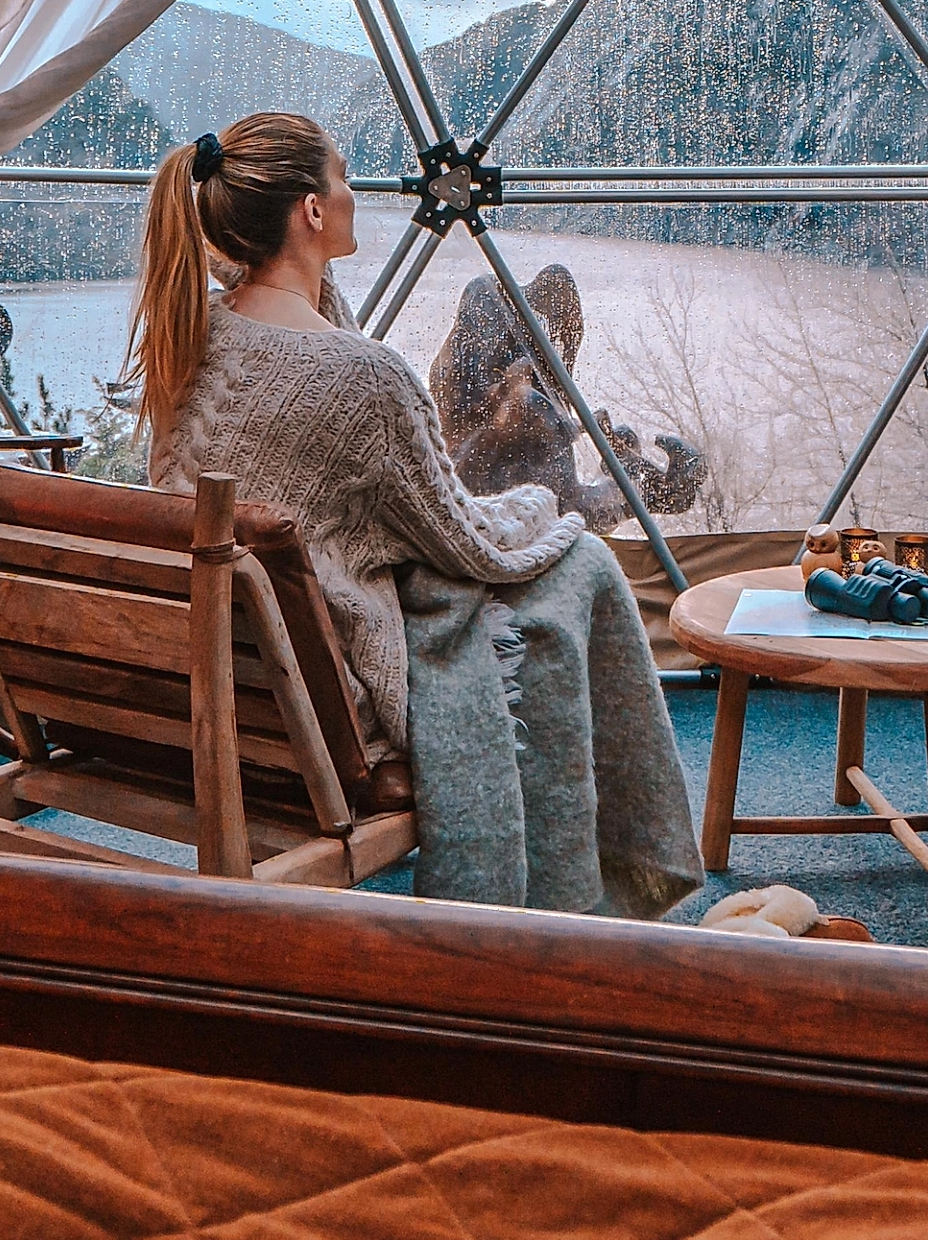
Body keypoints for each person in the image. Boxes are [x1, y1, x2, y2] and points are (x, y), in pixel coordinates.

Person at [129, 111, 701, 919]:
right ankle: (600, 886)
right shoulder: (364, 377)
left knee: (561, 572)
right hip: (314, 703)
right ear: (312, 212)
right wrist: (545, 503)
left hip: (209, 667)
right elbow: (467, 544)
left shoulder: (191, 331)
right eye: (344, 178)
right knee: (581, 568)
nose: (356, 193)